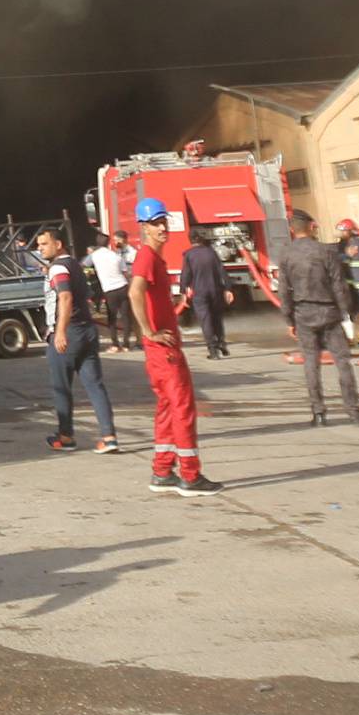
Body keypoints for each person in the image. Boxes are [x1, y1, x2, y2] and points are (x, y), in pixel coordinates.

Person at [127, 204, 221, 497]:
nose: (162, 228)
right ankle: (190, 476)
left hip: (160, 350)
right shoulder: (146, 256)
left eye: (163, 221)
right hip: (163, 351)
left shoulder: (153, 256)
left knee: (168, 409)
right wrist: (148, 330)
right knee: (183, 408)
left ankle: (162, 471)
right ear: (143, 226)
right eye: (155, 223)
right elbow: (135, 291)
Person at [34, 224, 118, 452]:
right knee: (95, 385)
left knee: (61, 387)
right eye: (38, 244)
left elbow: (65, 297)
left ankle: (66, 436)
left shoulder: (58, 268)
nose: (39, 248)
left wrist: (60, 331)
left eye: (44, 244)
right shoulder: (75, 264)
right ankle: (109, 436)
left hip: (68, 333)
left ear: (58, 244)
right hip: (87, 331)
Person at [277, 210, 359, 427]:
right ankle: (354, 412)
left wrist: (289, 320)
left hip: (303, 314)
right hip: (330, 313)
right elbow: (339, 285)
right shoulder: (325, 252)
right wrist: (347, 314)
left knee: (310, 363)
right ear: (311, 226)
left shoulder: (286, 254)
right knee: (343, 362)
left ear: (292, 229)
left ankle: (318, 413)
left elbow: (284, 291)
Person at [179, 229, 230, 360]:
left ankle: (213, 351)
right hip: (215, 290)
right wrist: (228, 289)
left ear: (190, 240)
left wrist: (183, 292)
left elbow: (186, 275)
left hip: (200, 292)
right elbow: (221, 271)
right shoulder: (211, 253)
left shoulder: (189, 255)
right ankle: (221, 343)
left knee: (206, 320)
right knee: (217, 318)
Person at [90, 236, 138, 349]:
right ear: (108, 243)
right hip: (122, 286)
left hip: (109, 290)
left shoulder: (94, 256)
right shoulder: (116, 256)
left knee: (112, 318)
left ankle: (115, 344)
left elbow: (84, 264)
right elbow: (125, 274)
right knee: (126, 316)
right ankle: (126, 344)